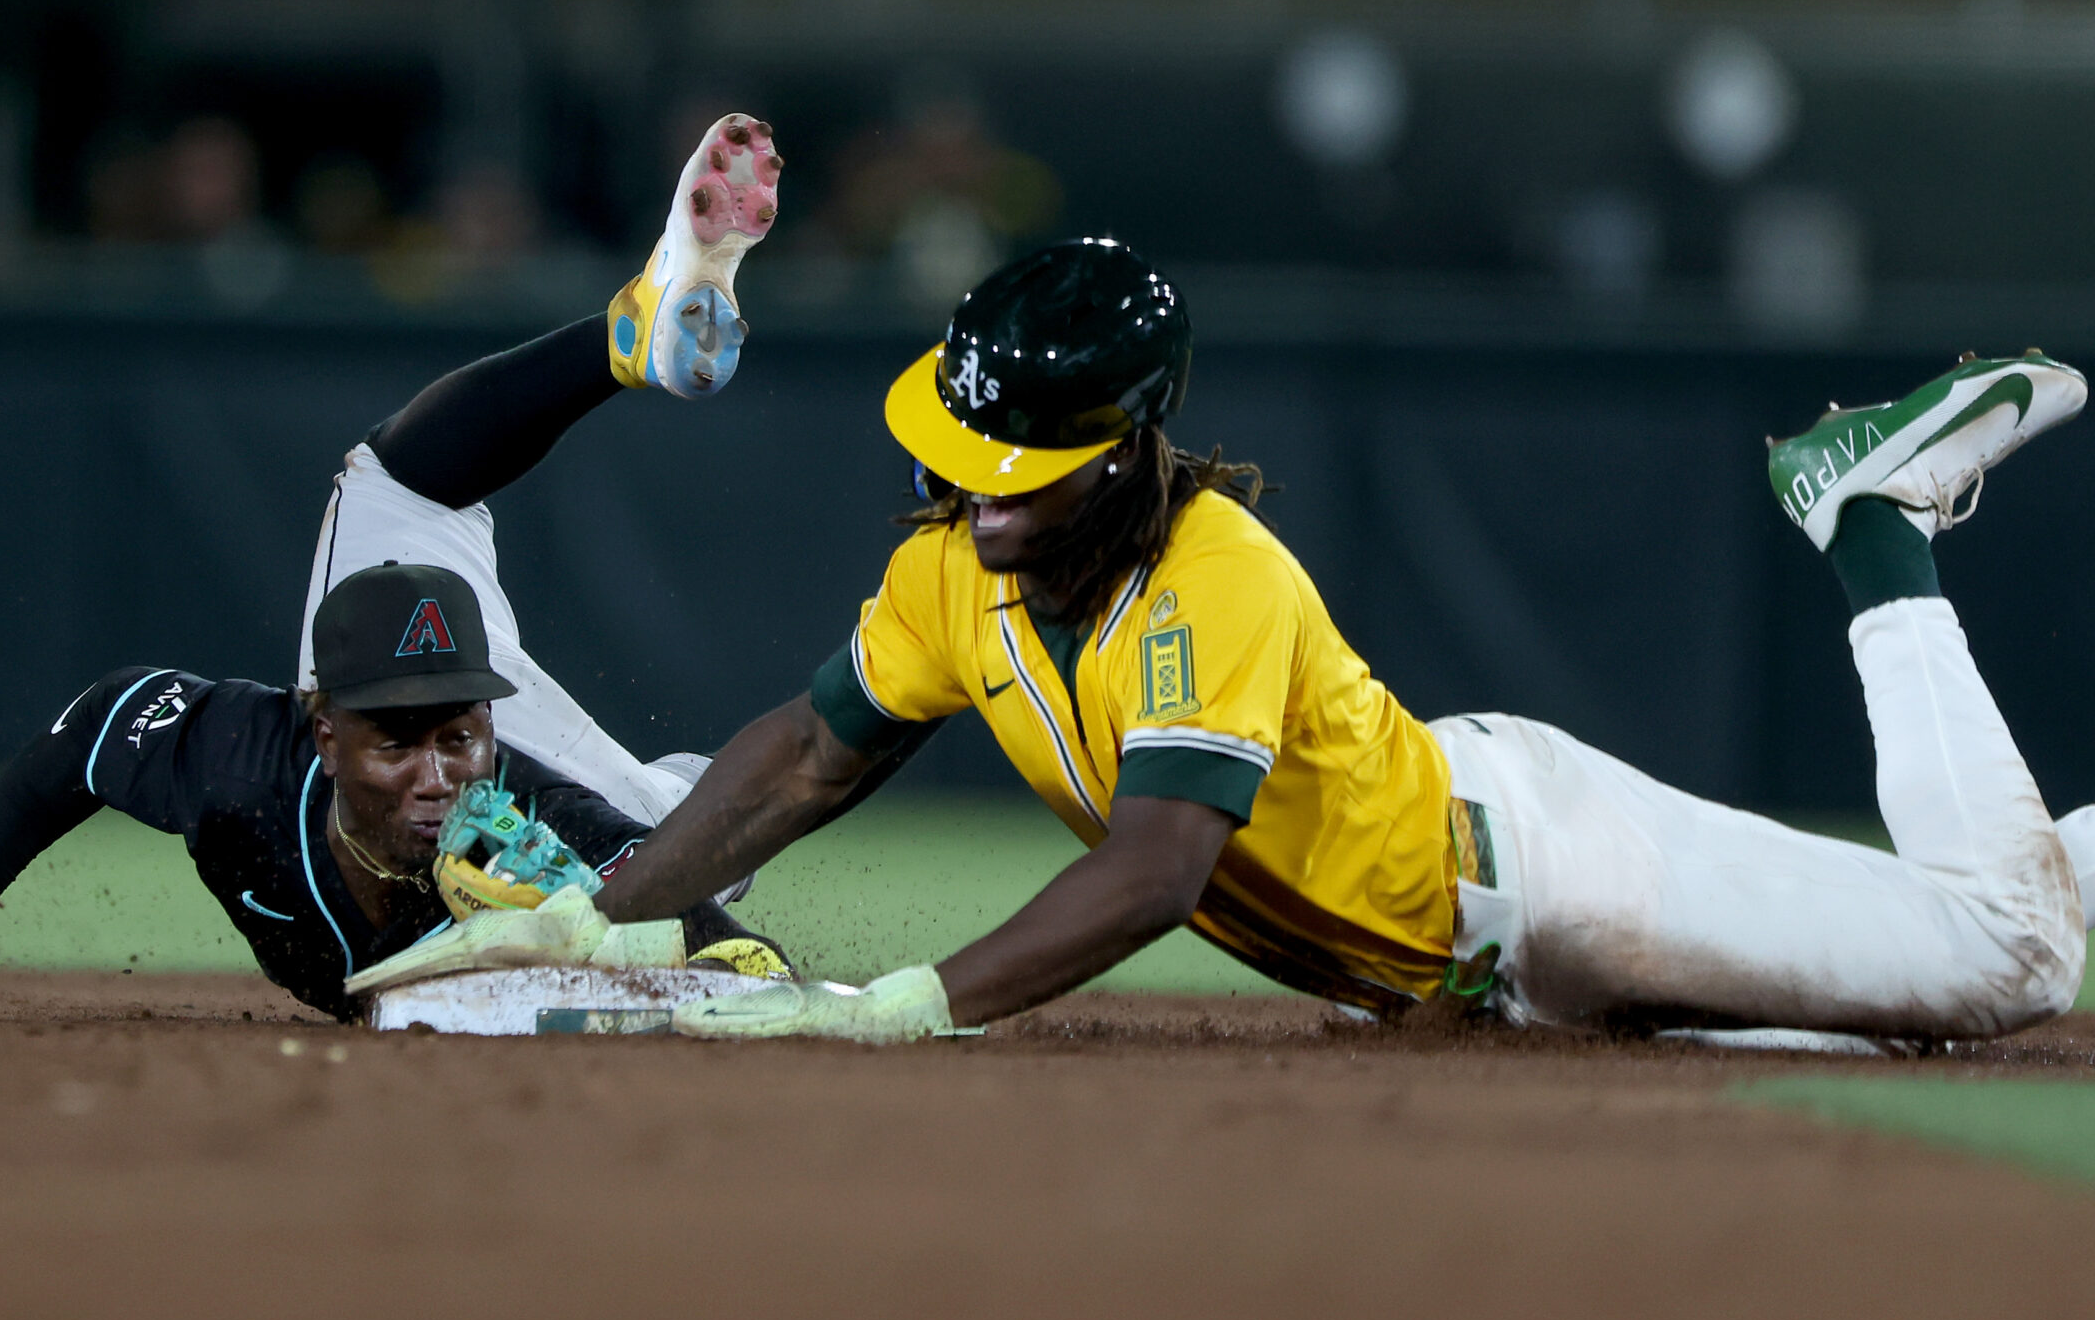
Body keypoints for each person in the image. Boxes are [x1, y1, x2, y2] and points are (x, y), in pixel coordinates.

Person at [353, 238, 2093, 1053]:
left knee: (2009, 961)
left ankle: (1871, 523)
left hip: (1556, 872)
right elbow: (810, 755)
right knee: (1906, 1017)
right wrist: (623, 892)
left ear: (1121, 449)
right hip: (1471, 975)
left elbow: (1157, 871)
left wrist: (909, 1005)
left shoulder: (1216, 575)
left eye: (1014, 475)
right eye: (963, 466)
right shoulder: (954, 570)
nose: (975, 503)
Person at [0, 116, 793, 1019]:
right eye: (398, 746)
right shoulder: (241, 762)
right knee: (657, 813)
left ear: (486, 728)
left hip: (517, 743)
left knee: (673, 853)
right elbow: (94, 733)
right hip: (415, 687)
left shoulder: (509, 803)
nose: (435, 777)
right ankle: (686, 790)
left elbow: (717, 941)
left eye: (457, 740)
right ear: (317, 726)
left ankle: (629, 334)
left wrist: (747, 972)